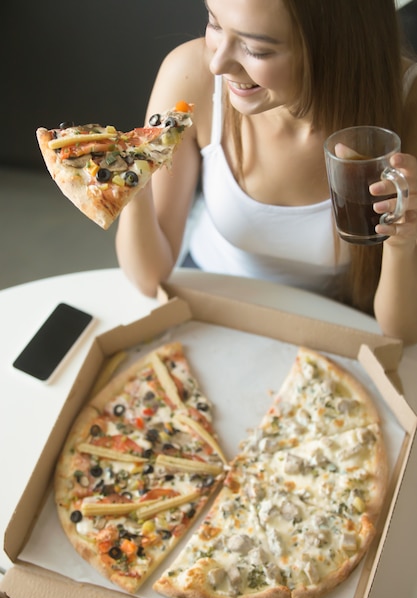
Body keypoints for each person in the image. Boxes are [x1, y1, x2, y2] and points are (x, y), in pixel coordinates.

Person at [116, 0, 417, 344]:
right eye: (214, 23)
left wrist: (404, 241)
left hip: (334, 321)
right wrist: (132, 181)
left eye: (255, 50)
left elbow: (402, 334)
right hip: (208, 295)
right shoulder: (190, 73)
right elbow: (148, 278)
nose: (218, 63)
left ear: (337, 47)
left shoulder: (408, 108)